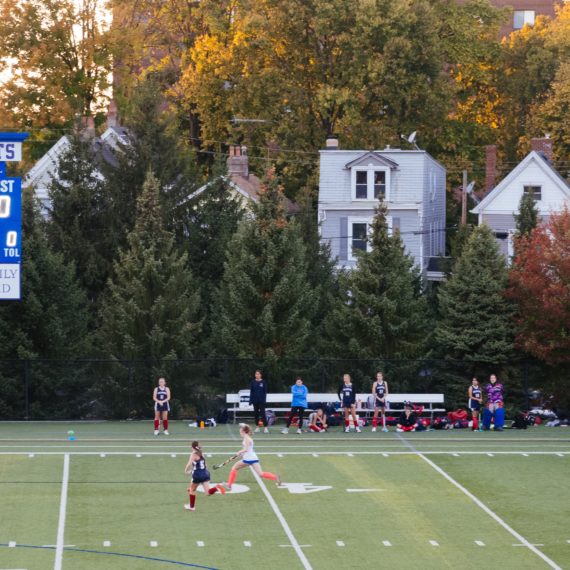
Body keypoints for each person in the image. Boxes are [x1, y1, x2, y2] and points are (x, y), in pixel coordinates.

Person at [225, 423, 281, 490]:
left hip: (248, 459)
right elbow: (247, 450)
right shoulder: (248, 437)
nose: (240, 433)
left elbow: (245, 449)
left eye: (240, 432)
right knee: (260, 474)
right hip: (253, 458)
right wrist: (239, 455)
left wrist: (238, 453)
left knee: (234, 468)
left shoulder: (246, 439)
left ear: (243, 432)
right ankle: (275, 477)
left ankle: (229, 485)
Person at [184, 441, 226, 511]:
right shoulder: (201, 452)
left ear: (192, 447)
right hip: (205, 473)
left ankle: (192, 507)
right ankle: (217, 487)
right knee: (207, 492)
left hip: (197, 474)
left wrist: (185, 471)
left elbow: (189, 463)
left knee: (192, 490)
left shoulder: (193, 454)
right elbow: (205, 465)